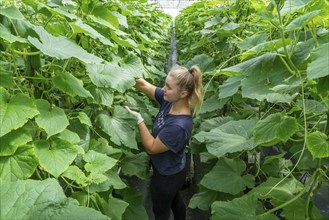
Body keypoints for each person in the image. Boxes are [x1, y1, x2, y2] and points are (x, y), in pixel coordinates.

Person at [125, 65, 204, 220]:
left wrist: (139, 120)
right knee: (175, 200)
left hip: (168, 176)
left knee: (160, 210)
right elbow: (144, 85)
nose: (163, 89)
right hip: (171, 168)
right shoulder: (171, 100)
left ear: (183, 93)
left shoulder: (179, 127)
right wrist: (122, 73)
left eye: (168, 87)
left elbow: (152, 147)